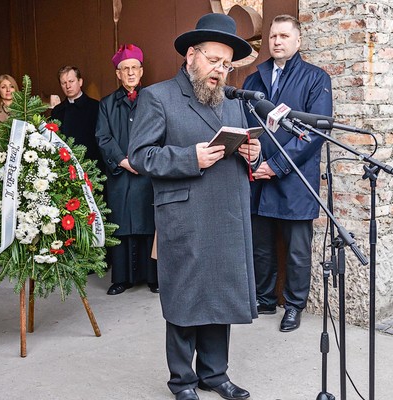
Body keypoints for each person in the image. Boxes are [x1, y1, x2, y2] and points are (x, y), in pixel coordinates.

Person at [128, 13, 261, 400]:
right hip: (185, 215)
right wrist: (190, 157)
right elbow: (140, 156)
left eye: (226, 64)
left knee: (221, 296)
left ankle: (215, 374)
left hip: (228, 212)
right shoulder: (159, 96)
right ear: (191, 55)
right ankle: (183, 382)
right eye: (213, 61)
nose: (220, 70)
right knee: (186, 300)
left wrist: (253, 151)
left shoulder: (233, 102)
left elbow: (242, 144)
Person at [242, 14, 333, 332]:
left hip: (295, 177)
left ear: (298, 41)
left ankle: (294, 305)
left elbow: (314, 131)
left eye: (283, 36)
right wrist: (254, 158)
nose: (277, 41)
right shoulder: (253, 80)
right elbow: (245, 127)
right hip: (258, 176)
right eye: (272, 37)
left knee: (296, 250)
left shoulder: (315, 78)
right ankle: (264, 299)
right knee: (261, 245)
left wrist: (276, 165)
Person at [95, 44, 158, 295]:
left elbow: (162, 132)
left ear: (141, 72)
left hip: (148, 172)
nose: (130, 73)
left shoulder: (154, 100)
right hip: (120, 174)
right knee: (121, 224)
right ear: (118, 74)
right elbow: (103, 137)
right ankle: (122, 278)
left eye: (134, 68)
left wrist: (146, 160)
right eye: (125, 69)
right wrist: (122, 160)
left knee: (148, 223)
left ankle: (154, 278)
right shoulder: (107, 104)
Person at [51, 66, 102, 170]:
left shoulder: (96, 107)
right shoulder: (57, 111)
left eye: (71, 81)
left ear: (80, 82)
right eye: (63, 83)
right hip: (65, 169)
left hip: (93, 167)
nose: (68, 86)